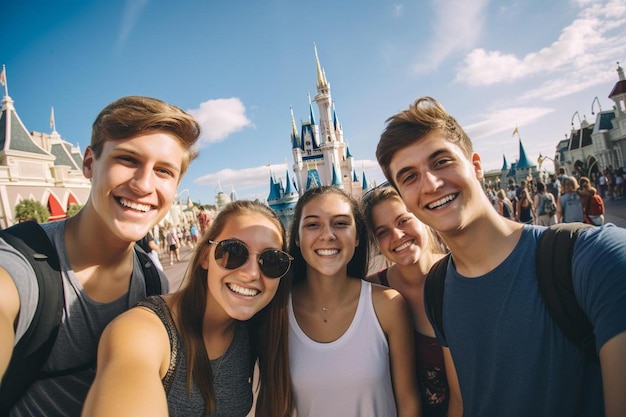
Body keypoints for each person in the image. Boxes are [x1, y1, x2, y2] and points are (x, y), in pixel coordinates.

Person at [375, 96, 626, 416]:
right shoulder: (438, 288)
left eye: (441, 161)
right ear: (404, 200)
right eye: (409, 177)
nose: (431, 184)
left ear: (475, 165)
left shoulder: (592, 259)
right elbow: (463, 403)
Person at [0, 96, 201, 416]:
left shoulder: (152, 280)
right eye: (128, 160)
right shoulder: (18, 268)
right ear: (89, 163)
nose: (143, 184)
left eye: (163, 171)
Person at [83, 200, 294, 417]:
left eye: (270, 260)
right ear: (205, 256)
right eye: (233, 251)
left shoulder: (256, 328)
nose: (251, 273)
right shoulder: (144, 330)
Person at [287, 185, 420, 417]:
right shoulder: (277, 313)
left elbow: (408, 403)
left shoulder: (387, 305)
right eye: (312, 224)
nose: (327, 234)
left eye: (340, 223)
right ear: (297, 239)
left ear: (357, 236)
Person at [363, 184, 461, 417]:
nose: (397, 235)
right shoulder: (371, 293)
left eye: (403, 221)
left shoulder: (462, 274)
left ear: (423, 217)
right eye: (383, 232)